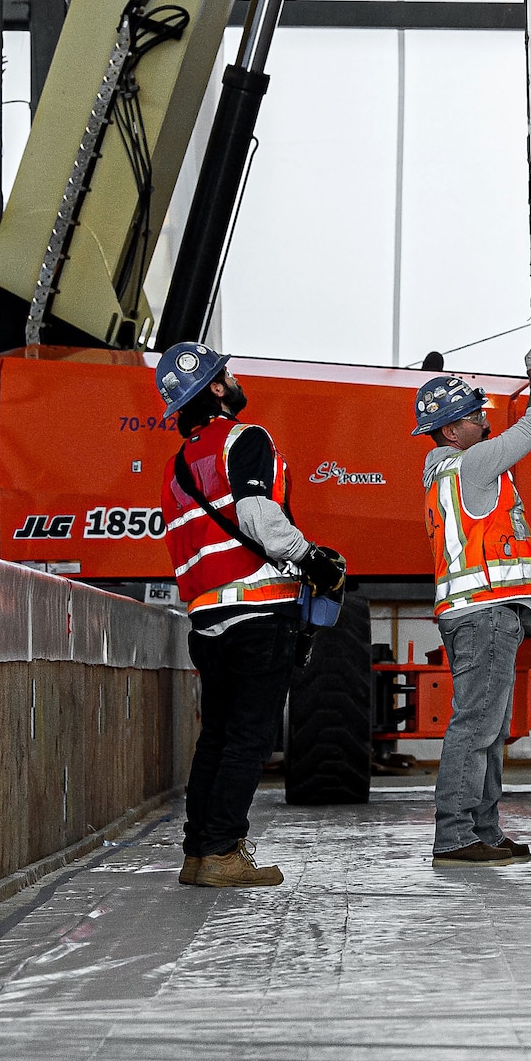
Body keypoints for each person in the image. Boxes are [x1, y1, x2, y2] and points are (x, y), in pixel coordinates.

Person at [157, 343, 347, 888]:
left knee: (217, 736)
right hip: (258, 614)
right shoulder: (246, 439)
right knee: (249, 738)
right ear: (215, 389)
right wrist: (312, 558)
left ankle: (199, 852)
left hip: (207, 621)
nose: (235, 381)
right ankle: (222, 853)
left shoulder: (178, 466)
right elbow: (257, 515)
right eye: (227, 376)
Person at [415, 324, 531, 867]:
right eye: (474, 414)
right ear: (450, 430)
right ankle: (456, 837)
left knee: (489, 727)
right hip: (483, 615)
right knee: (476, 726)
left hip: (477, 614)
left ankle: (482, 830)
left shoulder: (446, 472)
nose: (485, 419)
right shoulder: (474, 465)